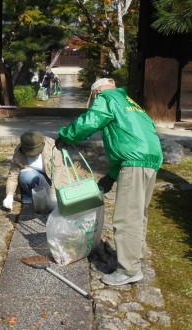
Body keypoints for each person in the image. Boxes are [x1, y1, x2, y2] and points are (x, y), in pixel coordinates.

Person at [55, 77, 163, 286]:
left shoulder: (106, 98)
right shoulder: (131, 103)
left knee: (126, 218)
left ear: (96, 93)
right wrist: (112, 176)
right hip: (150, 160)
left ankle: (129, 269)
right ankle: (135, 255)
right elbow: (127, 139)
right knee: (139, 213)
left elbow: (90, 121)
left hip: (134, 162)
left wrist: (66, 135)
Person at [2, 131, 66, 213]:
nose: (33, 155)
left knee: (53, 198)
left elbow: (58, 170)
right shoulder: (19, 151)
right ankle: (30, 195)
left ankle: (48, 196)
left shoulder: (52, 146)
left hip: (51, 179)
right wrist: (9, 195)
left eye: (35, 151)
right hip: (34, 179)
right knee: (26, 175)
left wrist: (54, 193)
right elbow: (13, 175)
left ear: (42, 145)